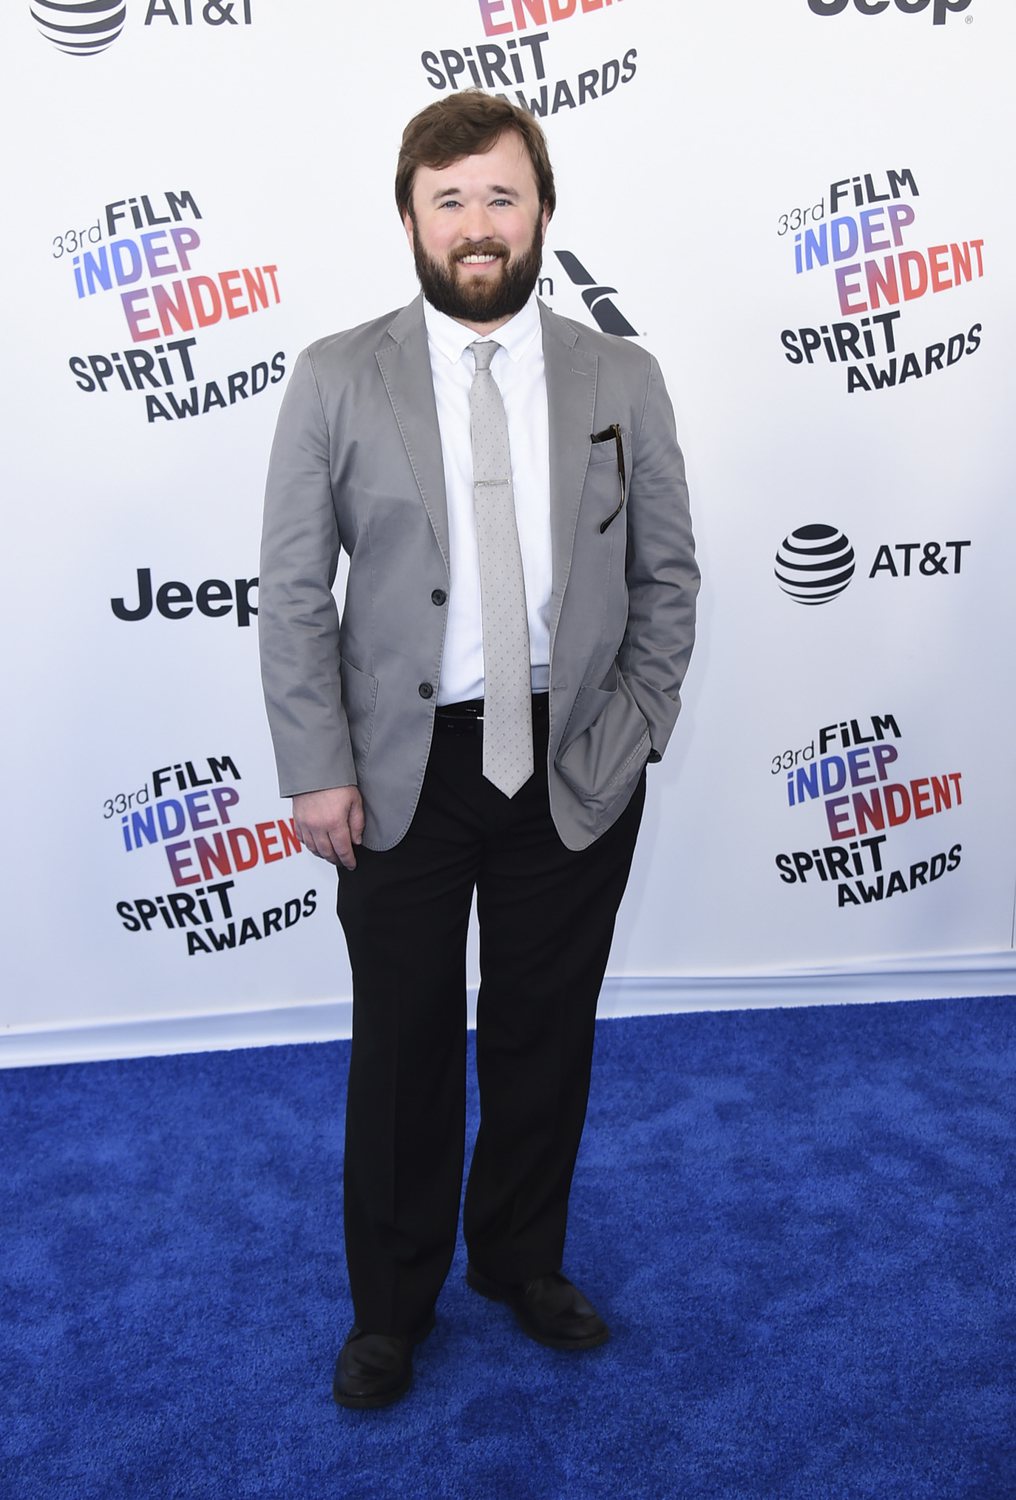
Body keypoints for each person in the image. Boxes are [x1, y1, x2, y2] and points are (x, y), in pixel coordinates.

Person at [258, 89, 698, 1410]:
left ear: (543, 210)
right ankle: (391, 1309)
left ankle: (520, 1260)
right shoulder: (337, 374)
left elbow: (668, 576)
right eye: (448, 200)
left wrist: (634, 727)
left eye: (501, 195)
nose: (477, 223)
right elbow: (295, 592)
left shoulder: (623, 379)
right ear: (409, 219)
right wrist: (316, 766)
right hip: (401, 770)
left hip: (573, 758)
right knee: (401, 1047)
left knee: (543, 1030)